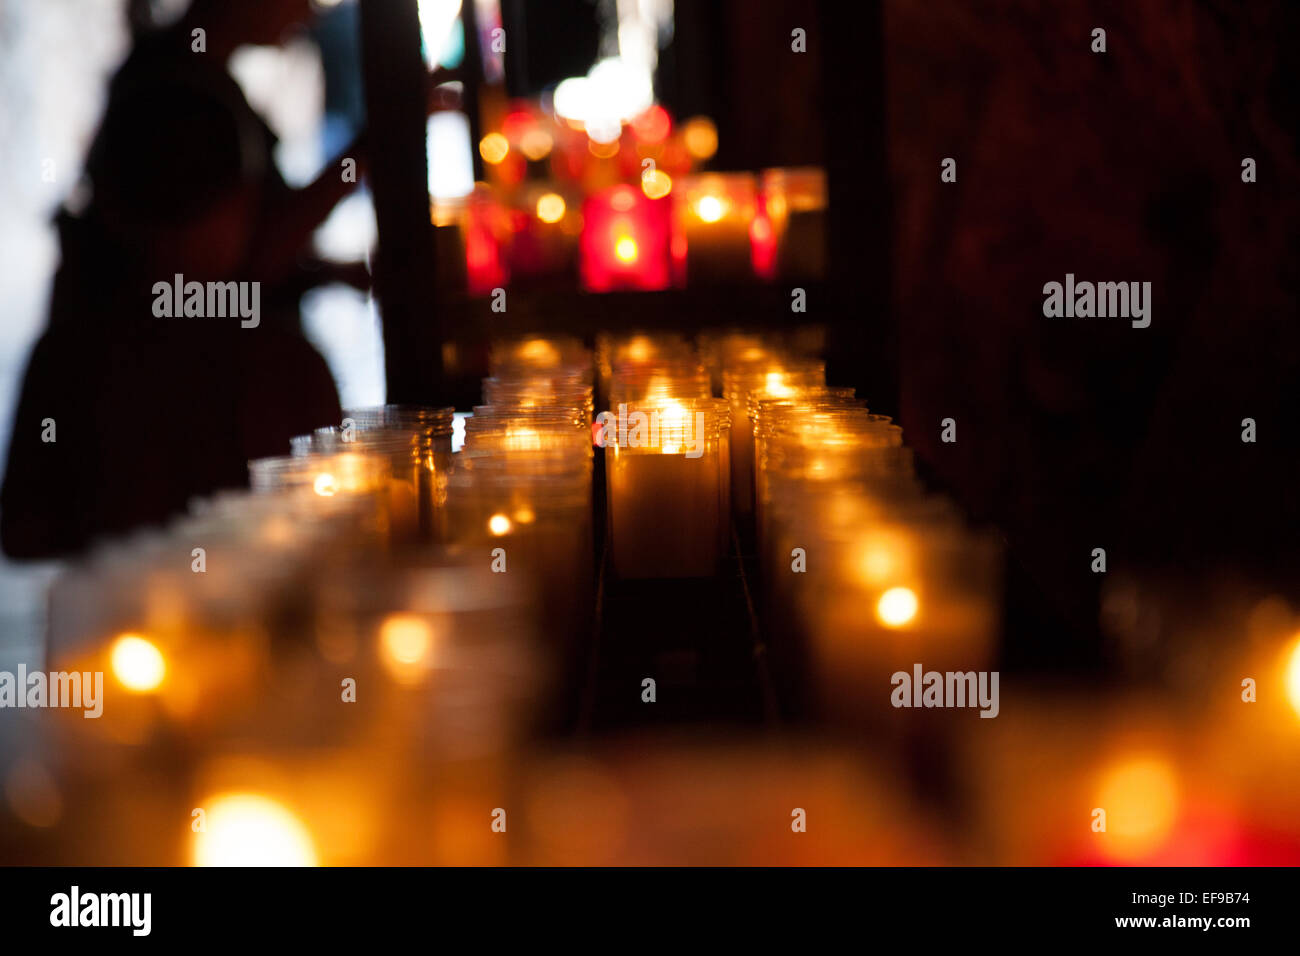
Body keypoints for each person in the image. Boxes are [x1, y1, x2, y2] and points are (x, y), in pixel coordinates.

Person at [2, 0, 369, 559]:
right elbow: (333, 533)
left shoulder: (68, 362)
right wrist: (371, 147)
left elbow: (27, 533)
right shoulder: (281, 368)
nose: (309, 11)